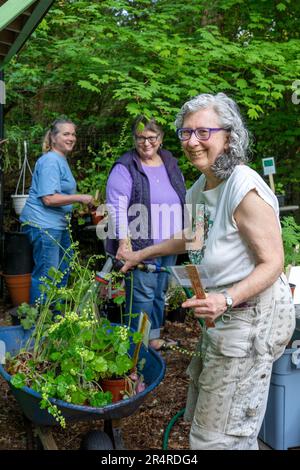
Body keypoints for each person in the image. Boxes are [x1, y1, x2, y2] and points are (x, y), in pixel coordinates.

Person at [116, 93, 295, 450]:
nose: (192, 141)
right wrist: (141, 253)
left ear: (229, 135)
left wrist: (225, 298)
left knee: (218, 439)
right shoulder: (202, 185)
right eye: (185, 133)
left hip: (251, 316)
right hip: (222, 316)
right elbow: (193, 236)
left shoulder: (243, 186)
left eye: (203, 132)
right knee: (210, 426)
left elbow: (273, 262)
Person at [105, 116, 186, 350]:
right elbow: (116, 207)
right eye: (141, 138)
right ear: (134, 139)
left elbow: (183, 194)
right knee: (142, 296)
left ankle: (153, 339)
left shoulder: (170, 161)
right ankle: (135, 346)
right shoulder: (125, 167)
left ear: (160, 139)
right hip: (140, 244)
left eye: (152, 137)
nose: (146, 143)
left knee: (160, 293)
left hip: (170, 244)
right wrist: (124, 242)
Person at [20, 118, 95, 304]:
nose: (72, 138)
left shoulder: (60, 159)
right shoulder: (51, 161)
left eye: (73, 134)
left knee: (62, 272)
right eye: (66, 134)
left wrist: (76, 206)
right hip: (44, 226)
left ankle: (54, 321)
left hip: (58, 225)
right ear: (53, 138)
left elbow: (59, 196)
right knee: (48, 276)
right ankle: (39, 325)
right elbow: (48, 198)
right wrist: (80, 197)